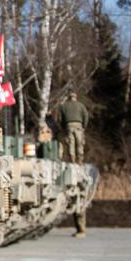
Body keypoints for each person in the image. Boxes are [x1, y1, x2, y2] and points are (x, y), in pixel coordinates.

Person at [58, 91, 89, 237]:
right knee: (79, 145)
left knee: (70, 145)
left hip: (69, 125)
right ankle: (79, 160)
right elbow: (86, 116)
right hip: (79, 125)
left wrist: (64, 127)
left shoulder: (64, 106)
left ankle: (72, 160)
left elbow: (61, 119)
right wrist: (83, 126)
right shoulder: (81, 105)